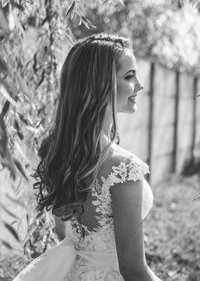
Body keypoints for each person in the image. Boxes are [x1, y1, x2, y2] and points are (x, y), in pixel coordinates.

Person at [13, 33, 162, 281]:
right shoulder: (123, 168)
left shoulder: (62, 153)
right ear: (101, 85)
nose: (139, 85)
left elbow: (65, 232)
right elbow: (134, 270)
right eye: (129, 76)